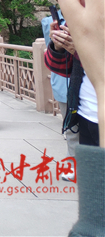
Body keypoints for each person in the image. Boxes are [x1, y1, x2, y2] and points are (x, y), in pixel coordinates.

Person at [54, 0, 105, 236]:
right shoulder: (83, 19)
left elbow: (93, 227)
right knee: (94, 189)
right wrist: (67, 48)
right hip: (86, 111)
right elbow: (55, 64)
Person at [45, 0, 105, 149]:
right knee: (88, 169)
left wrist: (83, 48)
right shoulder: (83, 14)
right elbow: (59, 67)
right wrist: (60, 46)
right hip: (86, 112)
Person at [41, 9, 79, 168]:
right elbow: (51, 50)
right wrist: (58, 45)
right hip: (65, 82)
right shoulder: (49, 22)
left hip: (91, 83)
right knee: (72, 130)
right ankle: (73, 165)